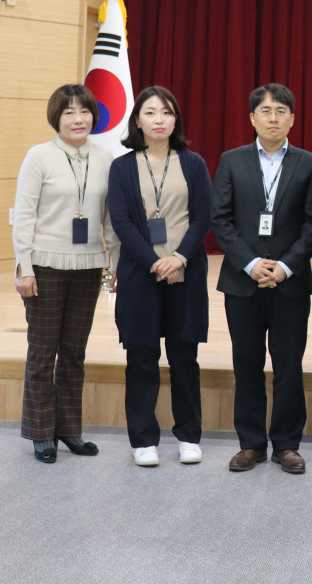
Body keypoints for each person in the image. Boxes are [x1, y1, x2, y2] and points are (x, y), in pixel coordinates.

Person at [211, 83, 312, 475]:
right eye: (266, 111)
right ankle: (251, 443)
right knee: (247, 364)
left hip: (290, 283)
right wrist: (251, 263)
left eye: (281, 111)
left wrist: (285, 266)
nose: (273, 117)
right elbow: (220, 219)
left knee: (289, 366)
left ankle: (287, 445)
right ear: (252, 118)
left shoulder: (309, 164)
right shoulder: (232, 161)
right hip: (243, 282)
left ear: (292, 118)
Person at [107, 85, 212, 468]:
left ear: (175, 120)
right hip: (141, 274)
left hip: (186, 270)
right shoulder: (121, 167)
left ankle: (189, 436)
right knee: (142, 357)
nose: (159, 120)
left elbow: (203, 217)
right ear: (137, 120)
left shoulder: (193, 163)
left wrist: (179, 258)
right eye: (150, 113)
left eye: (166, 112)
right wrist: (155, 262)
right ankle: (143, 440)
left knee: (184, 358)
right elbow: (121, 221)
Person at [13, 84, 118, 464]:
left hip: (88, 267)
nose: (78, 119)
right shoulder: (39, 156)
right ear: (56, 117)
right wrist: (24, 267)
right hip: (44, 267)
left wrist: (114, 265)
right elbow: (24, 214)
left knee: (74, 353)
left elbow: (111, 219)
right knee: (43, 354)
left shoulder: (106, 158)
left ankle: (69, 429)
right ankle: (42, 433)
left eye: (84, 111)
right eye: (69, 112)